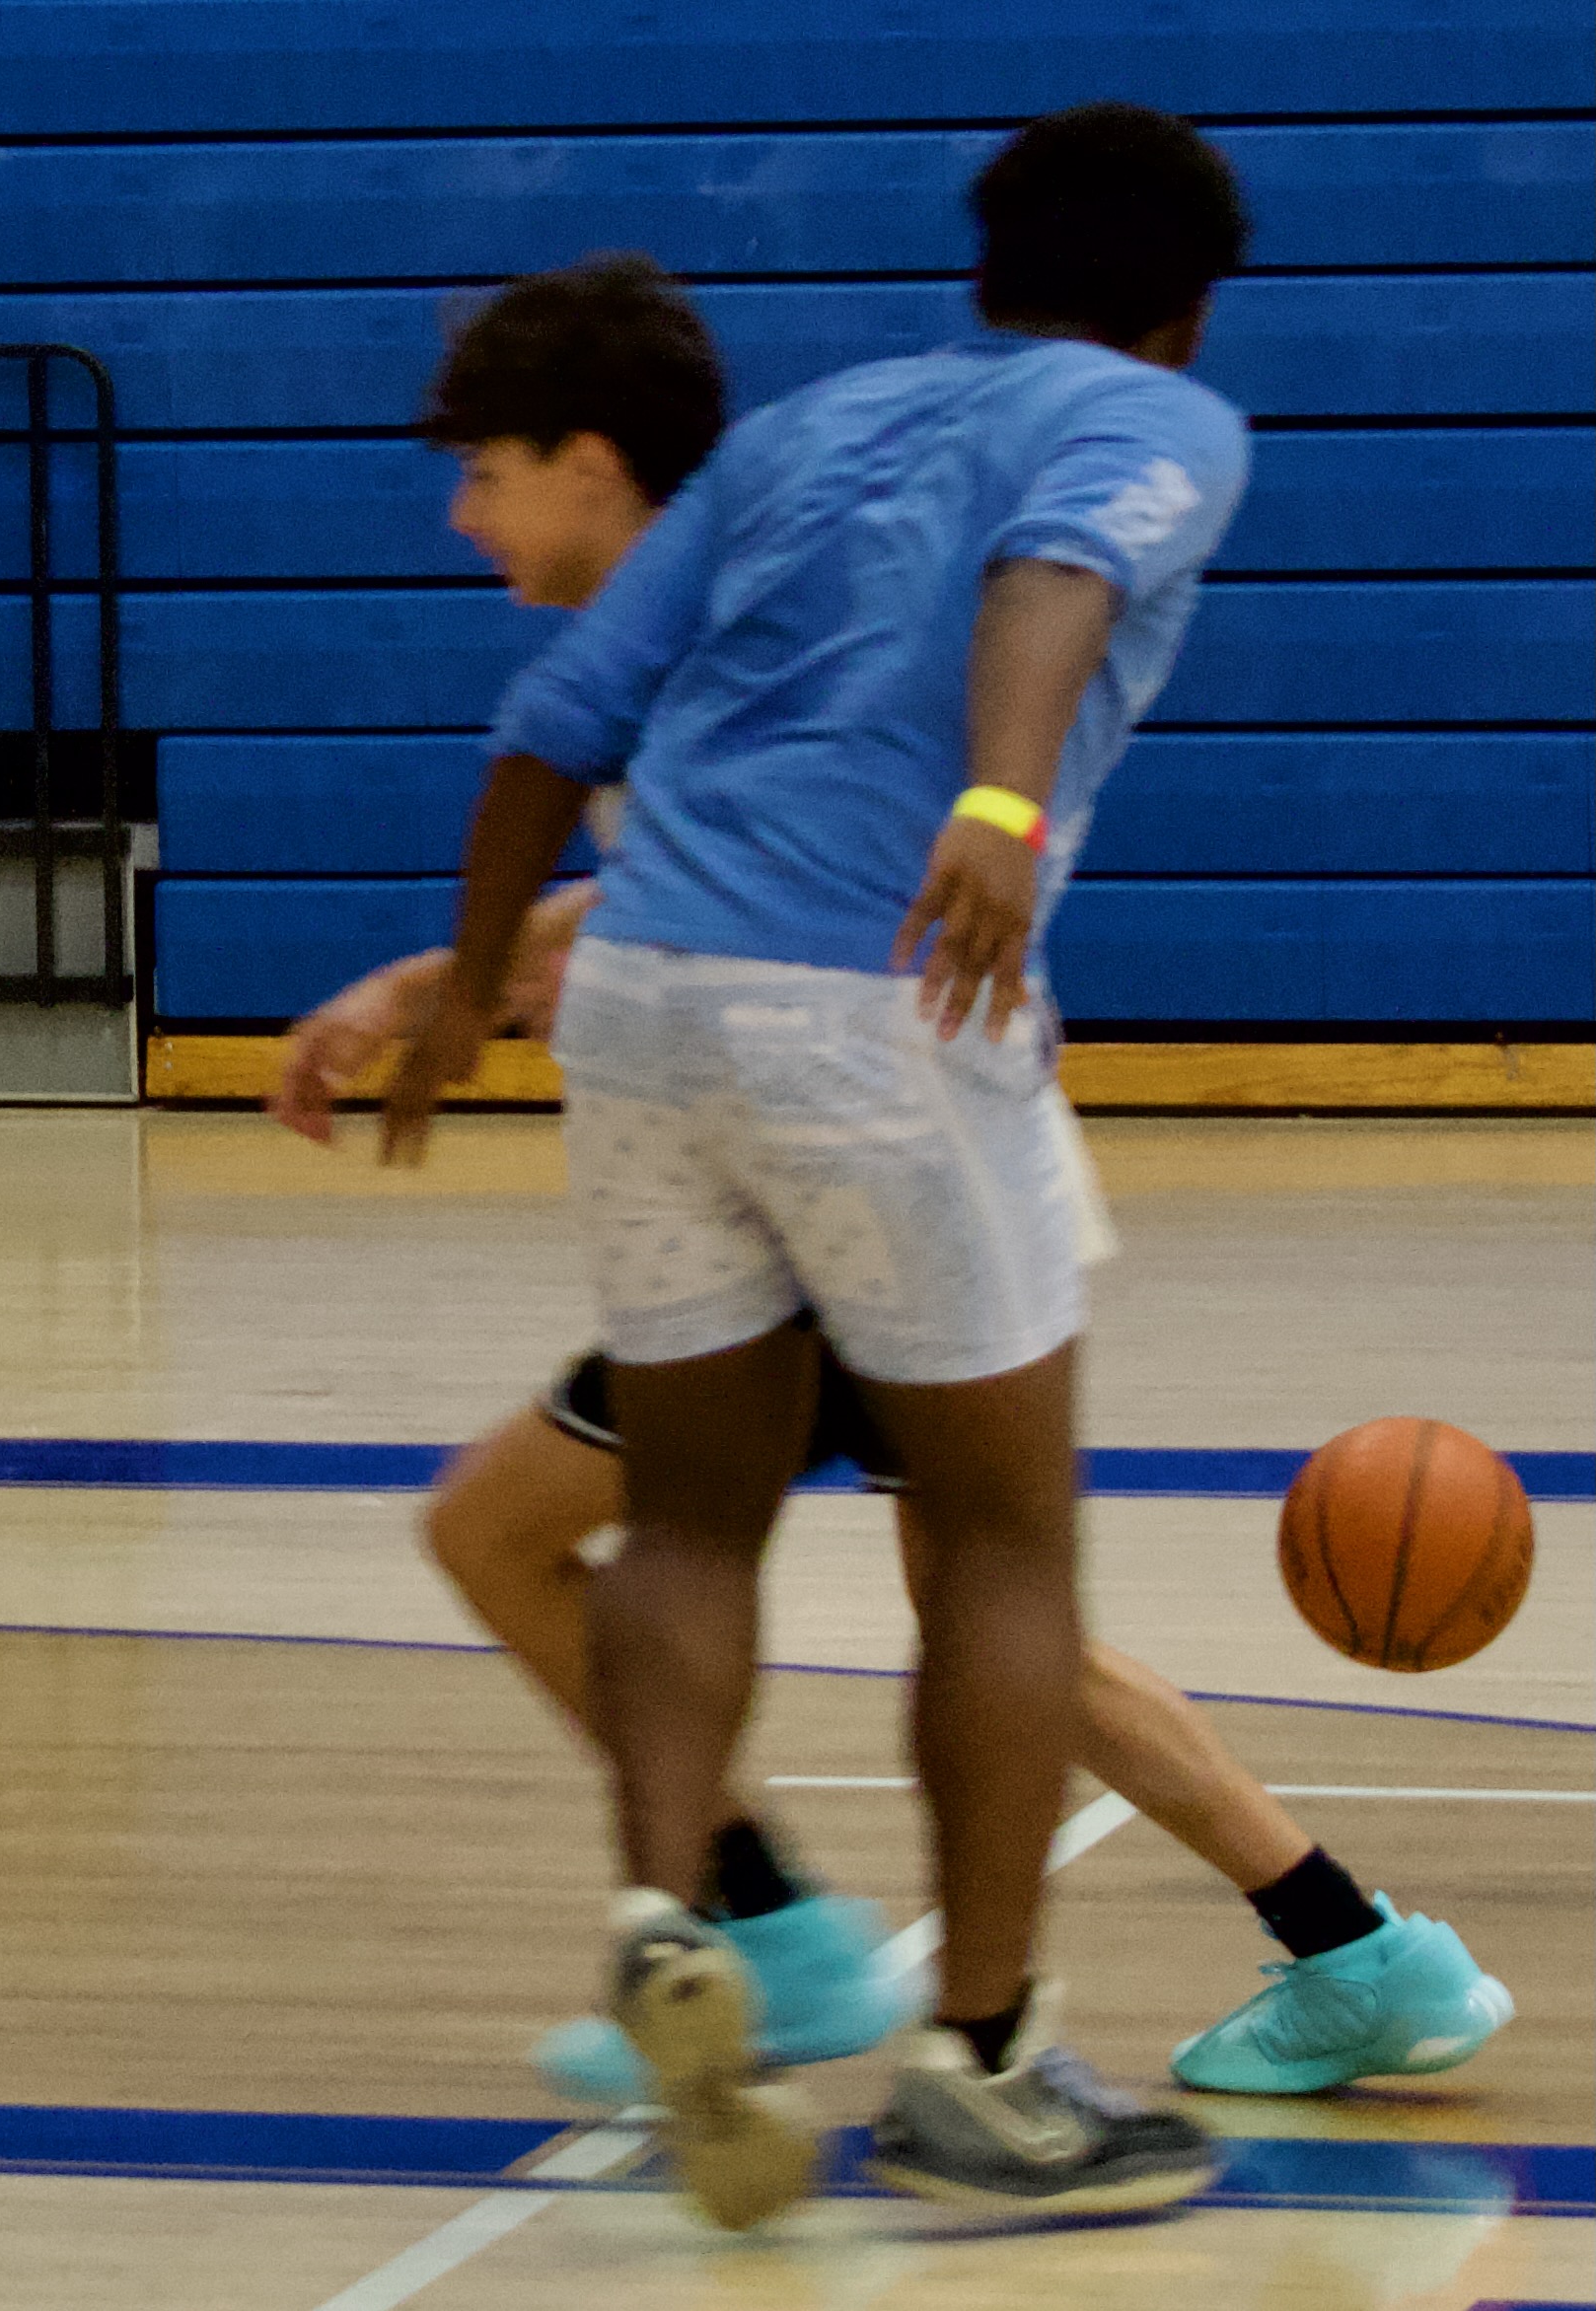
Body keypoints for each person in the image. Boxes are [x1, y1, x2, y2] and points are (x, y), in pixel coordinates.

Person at [274, 261, 1512, 2119]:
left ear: (595, 468)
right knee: (983, 1618)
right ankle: (1345, 1949)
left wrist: (449, 989)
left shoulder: (735, 599)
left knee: (580, 1543)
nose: (465, 517)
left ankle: (780, 1940)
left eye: (488, 473)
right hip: (875, 1146)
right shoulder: (746, 587)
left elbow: (767, 916)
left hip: (866, 1166)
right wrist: (427, 987)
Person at [367, 107, 1268, 2226]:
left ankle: (668, 1915)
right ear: (1187, 306)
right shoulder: (1161, 414)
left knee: (686, 1512)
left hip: (650, 999)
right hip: (874, 1004)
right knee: (1002, 1542)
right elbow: (1061, 574)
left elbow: (560, 711)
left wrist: (475, 981)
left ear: (984, 266)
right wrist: (1006, 802)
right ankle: (981, 2063)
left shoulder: (820, 418)